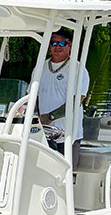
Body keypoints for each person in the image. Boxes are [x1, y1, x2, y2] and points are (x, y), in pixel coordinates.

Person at [37, 27, 89, 168]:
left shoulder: (78, 70)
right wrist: (34, 117)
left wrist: (51, 116)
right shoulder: (40, 67)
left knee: (66, 173)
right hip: (43, 133)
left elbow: (76, 101)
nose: (57, 47)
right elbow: (33, 96)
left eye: (62, 43)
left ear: (70, 46)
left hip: (68, 135)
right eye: (54, 43)